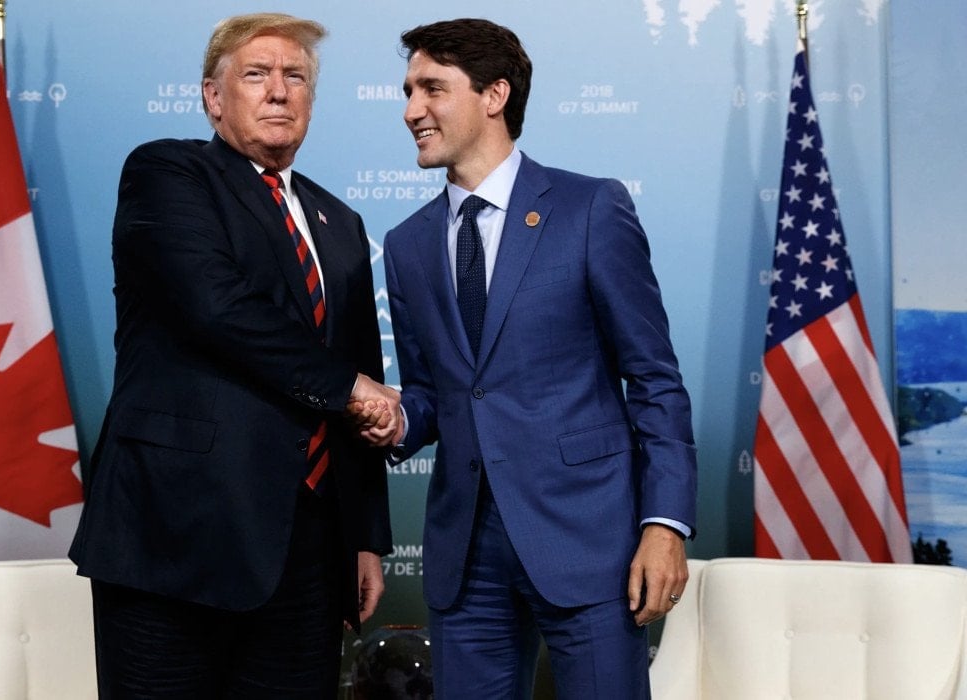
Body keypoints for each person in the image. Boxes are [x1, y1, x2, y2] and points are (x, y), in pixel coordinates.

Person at [69, 13, 400, 698]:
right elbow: (217, 306)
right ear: (213, 98)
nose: (279, 90)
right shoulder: (168, 172)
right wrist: (351, 388)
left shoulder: (342, 224)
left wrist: (366, 536)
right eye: (257, 74)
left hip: (308, 551)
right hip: (174, 535)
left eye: (296, 76)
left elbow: (361, 365)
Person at [376, 18, 698, 698]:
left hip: (590, 539)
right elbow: (432, 393)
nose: (411, 110)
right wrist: (394, 418)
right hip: (465, 555)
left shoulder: (589, 209)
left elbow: (654, 378)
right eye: (408, 91)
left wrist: (664, 523)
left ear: (494, 95)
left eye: (432, 88)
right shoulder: (406, 245)